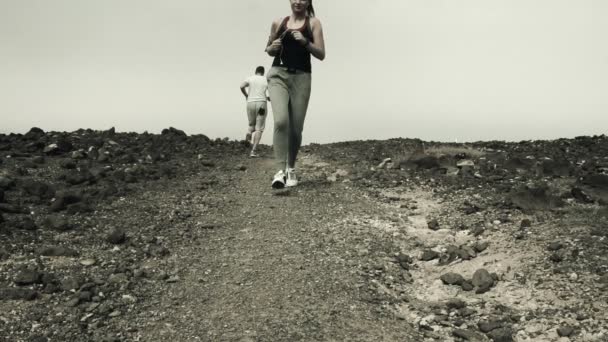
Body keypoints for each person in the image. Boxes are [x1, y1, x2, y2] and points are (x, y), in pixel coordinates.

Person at [265, 0, 325, 188]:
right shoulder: (278, 22)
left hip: (302, 78)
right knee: (281, 120)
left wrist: (305, 42)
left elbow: (321, 54)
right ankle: (280, 171)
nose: (298, 1)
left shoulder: (314, 23)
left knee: (295, 129)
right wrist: (271, 48)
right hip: (278, 75)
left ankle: (291, 167)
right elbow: (268, 48)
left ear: (308, 2)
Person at [240, 66, 270, 157]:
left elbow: (241, 86)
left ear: (255, 71)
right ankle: (253, 151)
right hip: (261, 104)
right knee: (259, 128)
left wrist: (246, 95)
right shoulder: (266, 79)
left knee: (251, 125)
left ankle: (248, 136)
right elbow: (272, 91)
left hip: (250, 103)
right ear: (263, 72)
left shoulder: (250, 78)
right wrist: (268, 97)